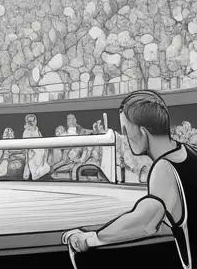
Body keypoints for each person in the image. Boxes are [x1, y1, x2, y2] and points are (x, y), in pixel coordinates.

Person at [63, 90, 195, 267]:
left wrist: (90, 239)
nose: (124, 135)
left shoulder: (164, 168)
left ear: (142, 132)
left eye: (125, 129)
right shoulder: (190, 151)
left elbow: (146, 220)